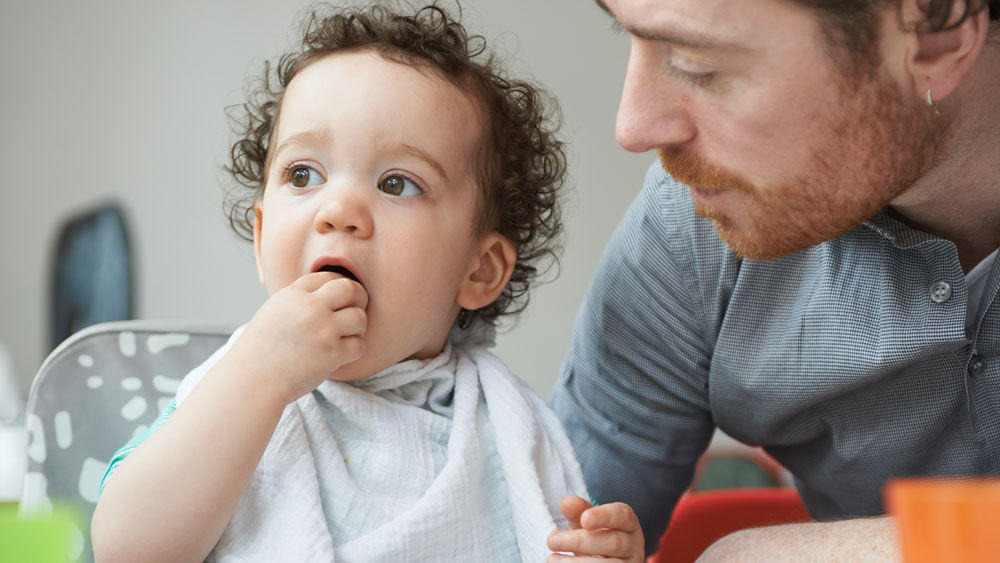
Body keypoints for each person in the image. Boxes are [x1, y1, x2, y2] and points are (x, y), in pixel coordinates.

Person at [90, 4, 644, 562]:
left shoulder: (507, 429)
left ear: (479, 270)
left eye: (397, 183)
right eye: (303, 174)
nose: (339, 209)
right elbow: (126, 549)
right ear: (261, 240)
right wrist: (258, 375)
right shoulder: (233, 393)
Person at [549, 0, 1000, 559]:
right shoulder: (688, 236)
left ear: (934, 33)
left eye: (695, 63)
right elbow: (551, 527)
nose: (634, 127)